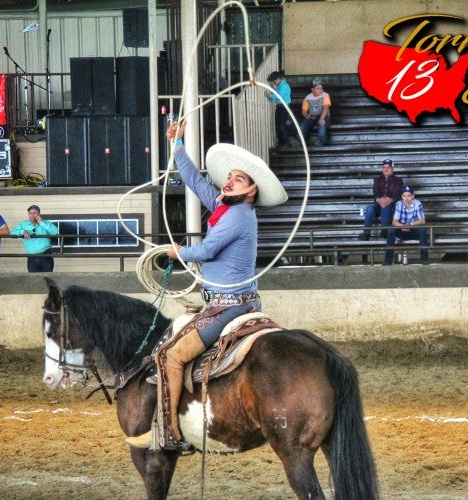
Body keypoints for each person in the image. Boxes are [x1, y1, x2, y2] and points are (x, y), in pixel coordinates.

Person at [125, 121, 288, 451]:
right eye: (230, 177)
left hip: (228, 306)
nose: (229, 181)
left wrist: (178, 252)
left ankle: (169, 433)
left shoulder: (239, 215)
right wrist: (177, 146)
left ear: (251, 190)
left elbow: (208, 250)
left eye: (238, 179)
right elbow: (196, 183)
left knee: (171, 355)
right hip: (230, 301)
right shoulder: (227, 208)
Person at [383, 185, 429, 265]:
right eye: (404, 196)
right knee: (391, 230)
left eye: (409, 196)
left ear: (413, 196)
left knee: (422, 230)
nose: (407, 198)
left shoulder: (417, 203)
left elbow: (422, 220)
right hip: (402, 230)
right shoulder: (399, 204)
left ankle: (424, 259)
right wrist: (403, 226)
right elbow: (394, 221)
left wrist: (410, 225)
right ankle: (388, 260)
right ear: (402, 196)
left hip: (413, 231)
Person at [360, 159, 404, 240]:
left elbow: (399, 194)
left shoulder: (398, 180)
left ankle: (385, 229)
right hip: (379, 204)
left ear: (392, 169)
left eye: (388, 167)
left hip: (392, 206)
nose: (386, 169)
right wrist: (379, 200)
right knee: (370, 208)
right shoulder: (377, 180)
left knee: (385, 205)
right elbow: (375, 193)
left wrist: (391, 199)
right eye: (384, 167)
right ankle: (366, 233)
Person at [10, 205, 59, 272]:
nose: (32, 215)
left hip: (46, 255)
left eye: (34, 213)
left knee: (48, 278)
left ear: (39, 214)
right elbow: (12, 233)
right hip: (31, 257)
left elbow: (55, 232)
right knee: (33, 280)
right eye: (30, 213)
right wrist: (22, 232)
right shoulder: (24, 224)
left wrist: (41, 223)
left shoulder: (46, 223)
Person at [265, 70, 294, 149]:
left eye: (274, 81)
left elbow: (279, 96)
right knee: (278, 125)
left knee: (282, 125)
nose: (273, 83)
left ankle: (286, 142)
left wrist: (269, 95)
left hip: (284, 107)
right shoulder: (279, 86)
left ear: (278, 79)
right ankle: (281, 141)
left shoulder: (284, 85)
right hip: (280, 106)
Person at [299, 78, 331, 146]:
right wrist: (307, 116)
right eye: (318, 88)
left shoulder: (325, 95)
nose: (320, 90)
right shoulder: (307, 98)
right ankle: (300, 144)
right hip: (312, 116)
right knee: (302, 127)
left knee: (321, 130)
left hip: (323, 116)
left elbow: (325, 108)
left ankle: (322, 145)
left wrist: (322, 119)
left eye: (321, 88)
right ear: (312, 89)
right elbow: (304, 111)